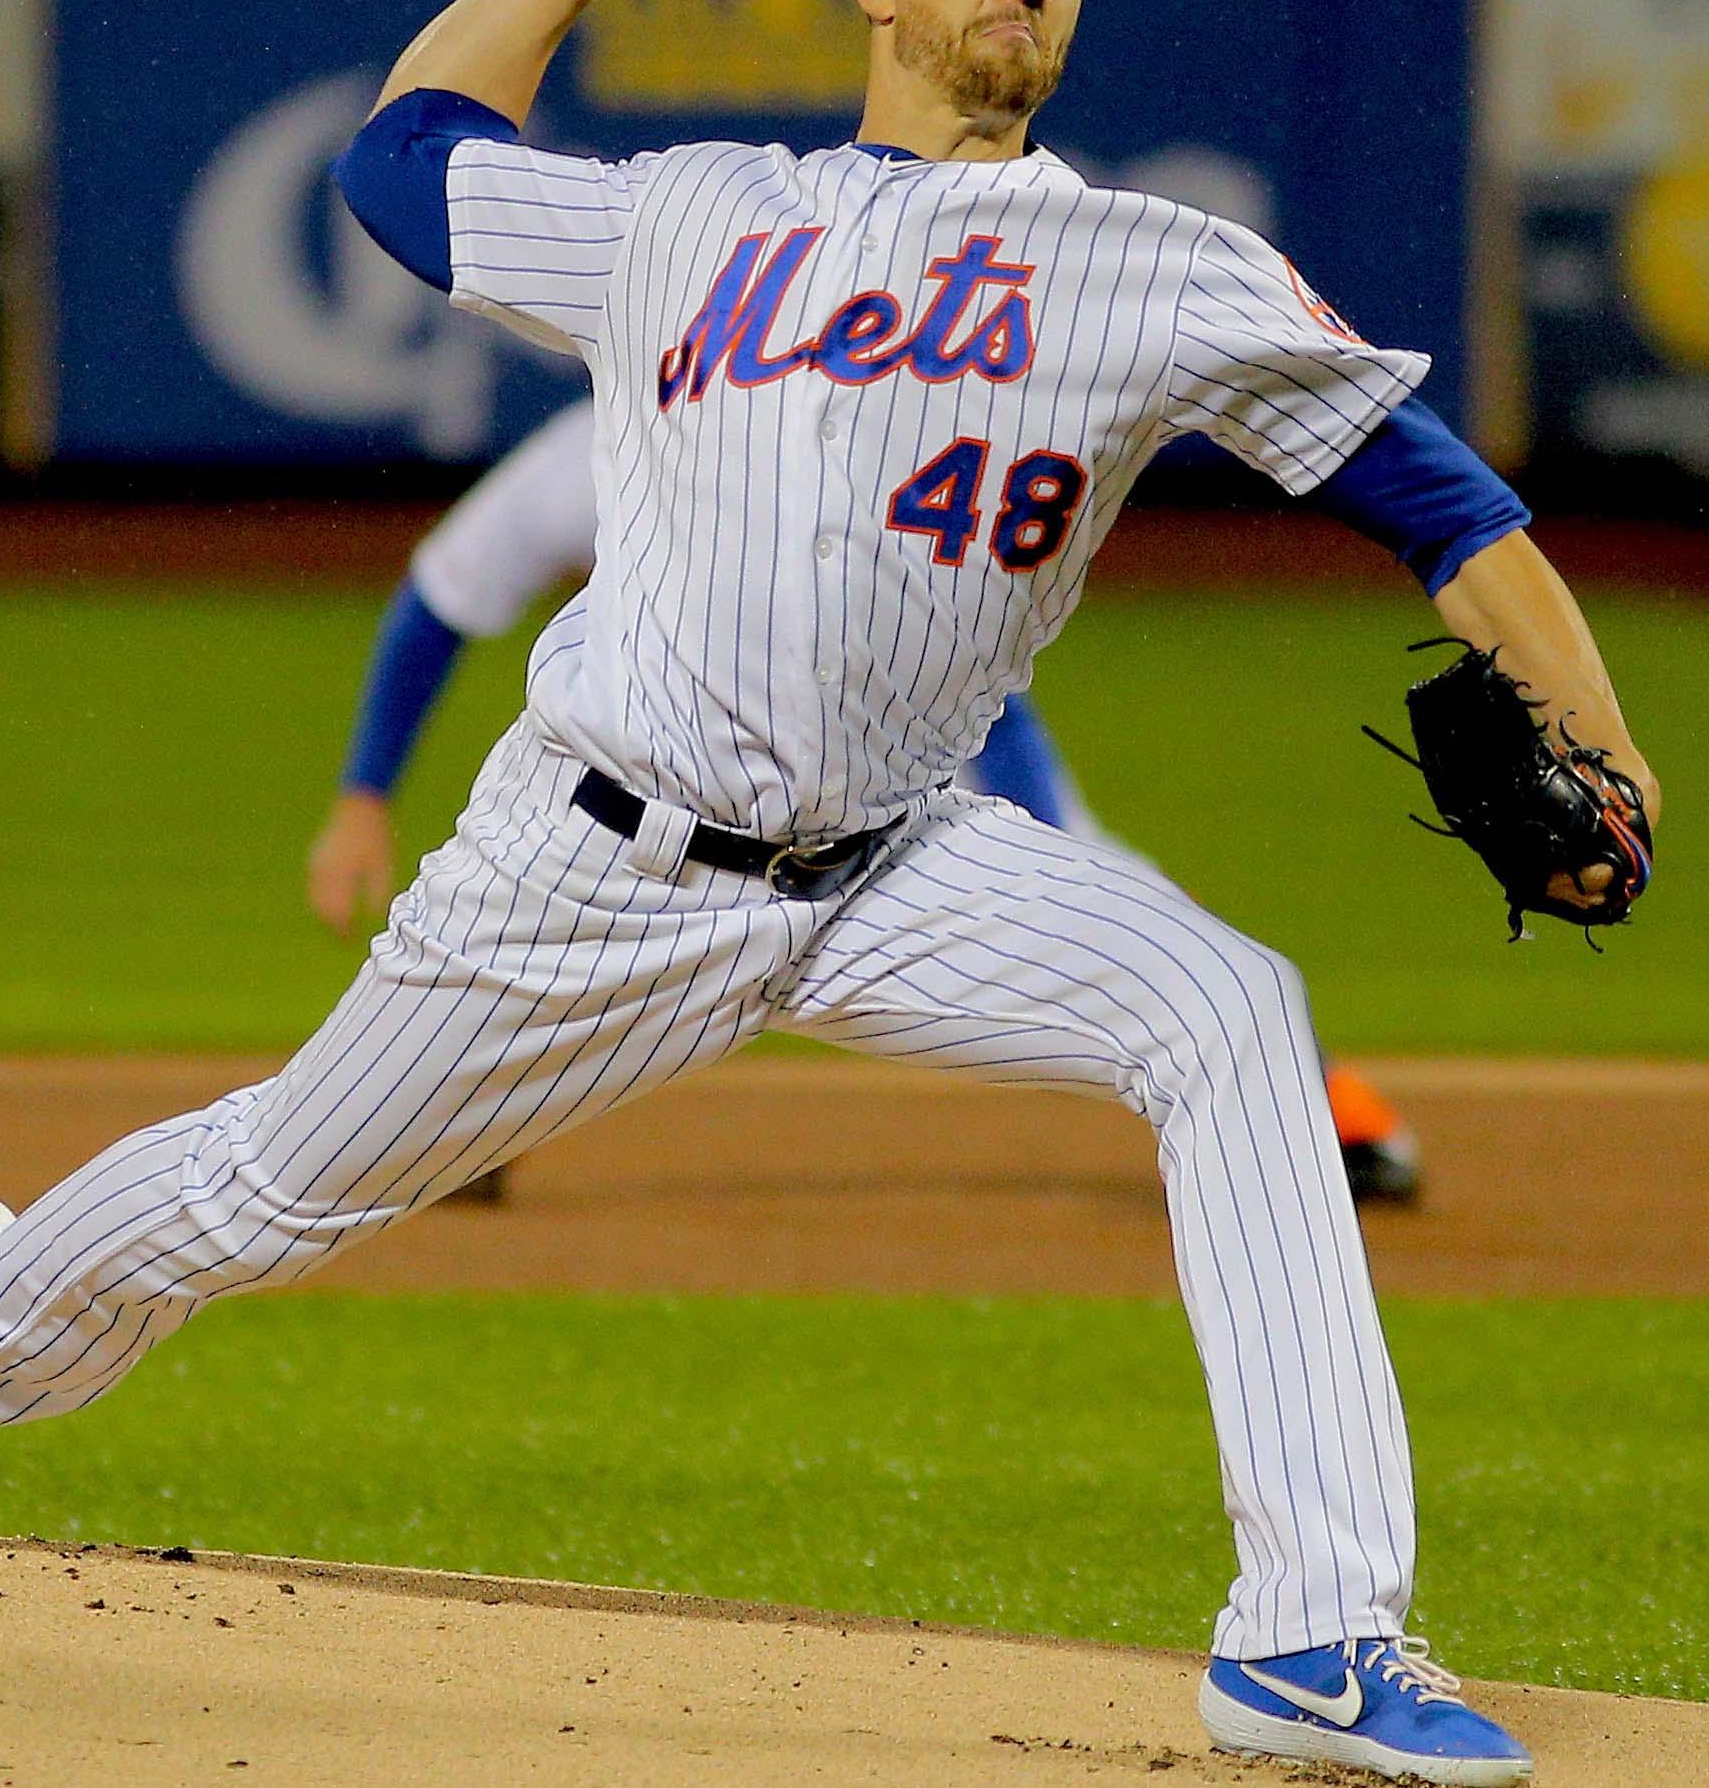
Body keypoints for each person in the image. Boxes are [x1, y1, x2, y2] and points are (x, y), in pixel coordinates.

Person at [0, 0, 1659, 1788]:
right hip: (587, 869)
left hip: (899, 863)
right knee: (265, 1191)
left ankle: (1311, 1633)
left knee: (1229, 1008)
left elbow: (1441, 503)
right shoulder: (689, 214)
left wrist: (1612, 739)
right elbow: (403, 153)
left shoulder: (1152, 269)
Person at [305, 395, 1435, 1208]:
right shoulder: (603, 438)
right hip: (685, 779)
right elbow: (443, 594)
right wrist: (364, 790)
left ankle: (1316, 1108)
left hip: (926, 740)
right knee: (549, 888)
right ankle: (451, 1123)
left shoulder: (873, 406)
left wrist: (1035, 816)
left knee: (1112, 888)